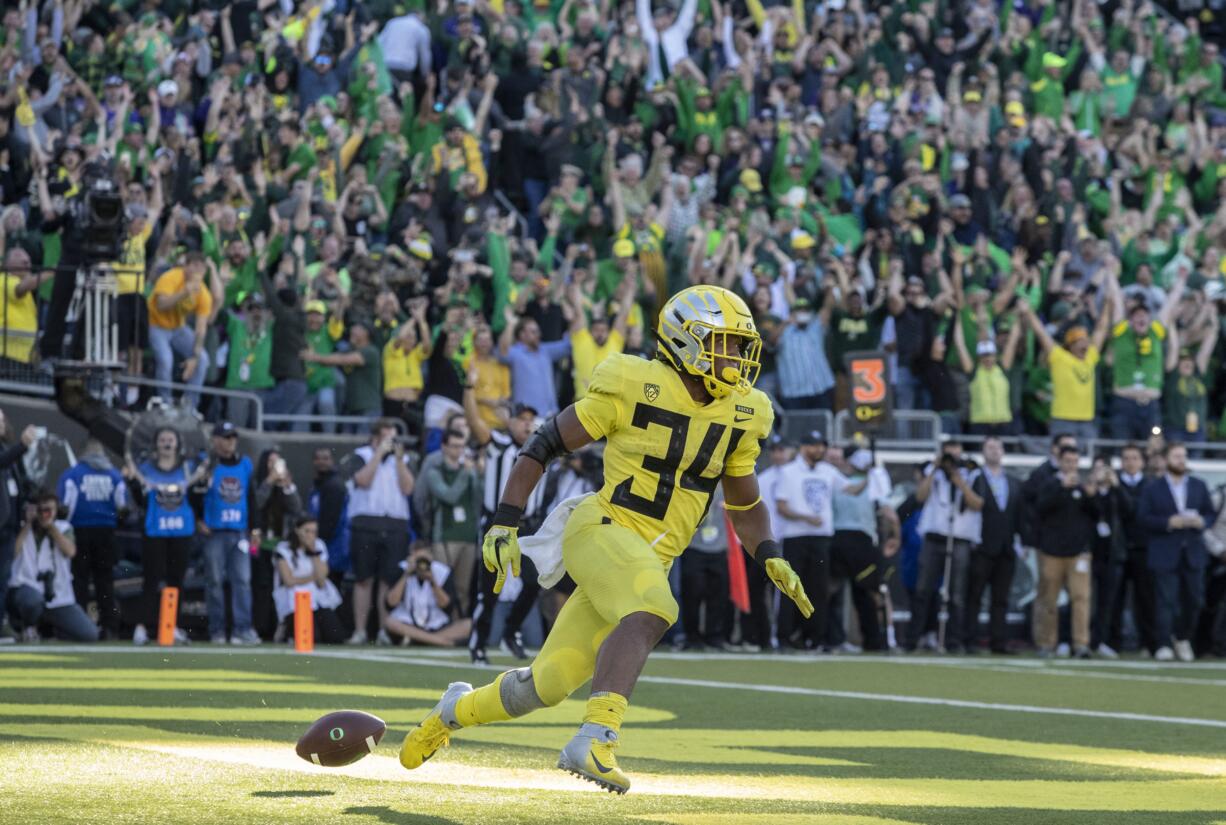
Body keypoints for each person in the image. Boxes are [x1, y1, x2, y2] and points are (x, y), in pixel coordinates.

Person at [399, 285, 812, 794]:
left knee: (544, 687)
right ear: (687, 341)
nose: (735, 356)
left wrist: (769, 553)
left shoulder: (746, 411)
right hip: (603, 527)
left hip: (645, 559)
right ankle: (596, 738)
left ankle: (450, 712)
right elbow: (545, 442)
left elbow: (744, 503)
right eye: (724, 342)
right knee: (655, 609)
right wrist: (506, 519)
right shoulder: (633, 381)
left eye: (738, 345)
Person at [463, 395, 548, 665]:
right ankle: (478, 645)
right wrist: (470, 389)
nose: (526, 425)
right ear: (509, 423)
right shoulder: (496, 445)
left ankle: (510, 633)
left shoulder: (545, 446)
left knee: (535, 581)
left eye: (530, 420)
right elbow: (474, 422)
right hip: (499, 524)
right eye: (521, 419)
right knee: (489, 588)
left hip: (529, 525)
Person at [773, 430, 864, 651]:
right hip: (796, 537)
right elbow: (781, 507)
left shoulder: (827, 471)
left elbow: (851, 489)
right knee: (791, 588)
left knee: (818, 590)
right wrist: (806, 518)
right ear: (804, 448)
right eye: (815, 446)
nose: (820, 450)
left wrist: (869, 475)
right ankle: (785, 636)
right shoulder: (788, 472)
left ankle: (815, 637)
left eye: (821, 446)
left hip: (821, 538)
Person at [1137, 442, 1218, 662]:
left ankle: (1182, 638)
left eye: (1183, 456)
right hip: (1165, 551)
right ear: (1165, 460)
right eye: (1176, 456)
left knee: (1195, 600)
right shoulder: (1153, 488)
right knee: (1166, 601)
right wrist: (1168, 522)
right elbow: (1143, 518)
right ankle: (1163, 643)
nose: (1181, 460)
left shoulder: (1199, 485)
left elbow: (1210, 514)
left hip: (1192, 551)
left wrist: (1201, 521)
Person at [125, 428, 202, 645]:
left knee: (176, 581)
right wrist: (131, 481)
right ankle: (142, 627)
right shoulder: (146, 469)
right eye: (162, 439)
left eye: (171, 439)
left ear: (178, 444)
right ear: (156, 444)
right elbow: (139, 501)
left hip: (182, 532)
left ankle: (172, 626)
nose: (167, 443)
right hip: (155, 531)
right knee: (151, 581)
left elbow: (196, 498)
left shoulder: (188, 469)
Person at [906, 440, 984, 653]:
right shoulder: (933, 472)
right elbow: (920, 497)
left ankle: (954, 641)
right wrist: (933, 470)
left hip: (959, 538)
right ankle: (913, 639)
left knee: (956, 595)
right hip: (934, 537)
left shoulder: (972, 473)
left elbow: (977, 504)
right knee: (923, 590)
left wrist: (960, 482)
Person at [345, 419, 415, 645]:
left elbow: (408, 488)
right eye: (386, 438)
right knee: (363, 579)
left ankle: (385, 631)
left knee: (388, 580)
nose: (390, 443)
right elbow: (362, 480)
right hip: (366, 522)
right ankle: (360, 630)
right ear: (375, 438)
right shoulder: (360, 455)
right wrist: (378, 454)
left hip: (395, 524)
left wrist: (397, 460)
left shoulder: (403, 459)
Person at [57, 439, 127, 639]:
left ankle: (76, 626)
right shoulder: (114, 475)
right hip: (105, 532)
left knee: (78, 580)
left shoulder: (73, 474)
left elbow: (66, 506)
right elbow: (122, 506)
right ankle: (110, 627)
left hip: (80, 531)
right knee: (105, 582)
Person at [830, 449, 897, 652]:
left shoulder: (833, 478)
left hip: (839, 539)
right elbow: (889, 513)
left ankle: (830, 638)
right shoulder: (868, 480)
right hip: (859, 541)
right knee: (866, 593)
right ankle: (874, 640)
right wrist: (896, 536)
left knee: (834, 593)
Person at [6, 491, 97, 642]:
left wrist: (51, 528)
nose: (43, 515)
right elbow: (12, 554)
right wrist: (28, 523)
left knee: (89, 634)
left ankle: (53, 632)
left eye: (48, 510)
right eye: (40, 510)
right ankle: (28, 627)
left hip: (58, 597)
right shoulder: (22, 528)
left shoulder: (63, 528)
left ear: (56, 511)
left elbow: (70, 551)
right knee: (32, 602)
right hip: (27, 589)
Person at [1034, 445, 1097, 659]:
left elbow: (1097, 513)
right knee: (1048, 599)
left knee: (1081, 599)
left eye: (1074, 461)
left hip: (1078, 552)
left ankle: (1081, 644)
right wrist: (1061, 488)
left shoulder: (1083, 487)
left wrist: (1091, 494)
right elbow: (1041, 508)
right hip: (1052, 552)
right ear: (1059, 462)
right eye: (1067, 461)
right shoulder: (1049, 484)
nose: (1071, 466)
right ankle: (1046, 643)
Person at [1019, 297, 1112, 442]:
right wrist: (1028, 312)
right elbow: (1042, 334)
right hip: (1062, 420)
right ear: (1070, 346)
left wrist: (1107, 305)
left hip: (1087, 420)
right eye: (1079, 341)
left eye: (1085, 340)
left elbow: (1101, 330)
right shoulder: (1060, 358)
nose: (1085, 344)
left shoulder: (1090, 358)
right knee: (1061, 456)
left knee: (1089, 458)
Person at [199, 422, 259, 645]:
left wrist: (255, 528)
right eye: (225, 437)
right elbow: (195, 493)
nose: (230, 442)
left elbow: (251, 498)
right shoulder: (207, 464)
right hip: (214, 531)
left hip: (240, 532)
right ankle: (217, 629)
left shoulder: (245, 464)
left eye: (232, 437)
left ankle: (242, 629)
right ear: (215, 440)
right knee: (214, 581)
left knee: (242, 580)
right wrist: (198, 519)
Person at [966, 437, 1021, 654]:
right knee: (975, 596)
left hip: (1006, 547)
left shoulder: (1013, 481)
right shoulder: (976, 478)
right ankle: (969, 639)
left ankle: (998, 641)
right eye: (990, 447)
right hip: (982, 545)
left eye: (998, 447)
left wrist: (1020, 541)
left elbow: (1018, 515)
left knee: (1001, 598)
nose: (994, 451)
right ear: (982, 452)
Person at [421, 429, 480, 616]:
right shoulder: (434, 472)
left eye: (462, 446)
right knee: (442, 584)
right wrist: (466, 473)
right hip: (444, 536)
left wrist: (480, 474)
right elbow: (450, 496)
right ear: (444, 447)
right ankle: (439, 624)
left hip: (468, 536)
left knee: (463, 588)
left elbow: (480, 498)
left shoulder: (470, 472)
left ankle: (458, 627)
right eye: (454, 446)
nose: (459, 451)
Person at [146, 252, 213, 407]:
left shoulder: (203, 293)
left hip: (178, 328)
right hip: (156, 324)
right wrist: (184, 292)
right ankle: (165, 402)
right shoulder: (171, 277)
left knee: (203, 359)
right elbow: (161, 305)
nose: (198, 272)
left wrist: (194, 356)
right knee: (165, 359)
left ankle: (189, 405)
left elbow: (201, 328)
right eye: (195, 266)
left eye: (202, 269)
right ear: (186, 266)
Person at [272, 516, 345, 645]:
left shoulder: (319, 546)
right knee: (311, 638)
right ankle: (285, 630)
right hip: (294, 600)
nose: (311, 535)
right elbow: (289, 580)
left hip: (317, 598)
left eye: (314, 532)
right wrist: (312, 577)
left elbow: (321, 581)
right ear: (297, 530)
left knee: (336, 636)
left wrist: (313, 552)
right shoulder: (283, 549)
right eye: (307, 531)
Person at [1113, 443, 1157, 655]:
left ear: (1142, 462)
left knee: (1145, 599)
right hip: (1117, 550)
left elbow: (1136, 511)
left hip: (1143, 549)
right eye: (1126, 458)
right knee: (1114, 599)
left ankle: (1148, 643)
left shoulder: (1151, 485)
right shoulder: (1112, 484)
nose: (1130, 462)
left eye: (1134, 458)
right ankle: (1112, 643)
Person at [1086, 454, 1130, 659]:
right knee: (1082, 599)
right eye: (1097, 469)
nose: (1101, 473)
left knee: (1107, 601)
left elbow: (1130, 511)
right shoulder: (1087, 492)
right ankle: (1077, 639)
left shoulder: (1117, 493)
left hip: (1112, 555)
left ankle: (1100, 640)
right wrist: (1091, 492)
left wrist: (1117, 486)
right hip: (1088, 554)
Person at [385, 546, 472, 647]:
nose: (422, 565)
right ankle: (444, 642)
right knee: (390, 622)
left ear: (431, 557)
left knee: (469, 624)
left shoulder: (441, 571)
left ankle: (421, 640)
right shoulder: (402, 568)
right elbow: (391, 603)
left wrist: (432, 581)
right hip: (408, 623)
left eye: (424, 560)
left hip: (435, 625)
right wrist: (406, 575)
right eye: (418, 560)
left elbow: (447, 606)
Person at [0, 414, 37, 642]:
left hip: (8, 526)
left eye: (3, 420)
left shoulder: (6, 449)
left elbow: (18, 481)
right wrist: (22, 446)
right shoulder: (9, 453)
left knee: (2, 580)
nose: (2, 424)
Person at [679, 486, 730, 651]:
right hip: (693, 547)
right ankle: (692, 637)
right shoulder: (691, 484)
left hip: (720, 547)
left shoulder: (729, 486)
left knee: (718, 595)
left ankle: (714, 636)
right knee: (692, 594)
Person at [308, 448, 350, 588]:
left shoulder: (334, 485)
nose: (322, 462)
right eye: (318, 458)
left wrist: (316, 544)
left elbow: (330, 522)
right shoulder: (319, 484)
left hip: (332, 550)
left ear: (332, 461)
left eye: (326, 458)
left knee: (329, 591)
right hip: (324, 548)